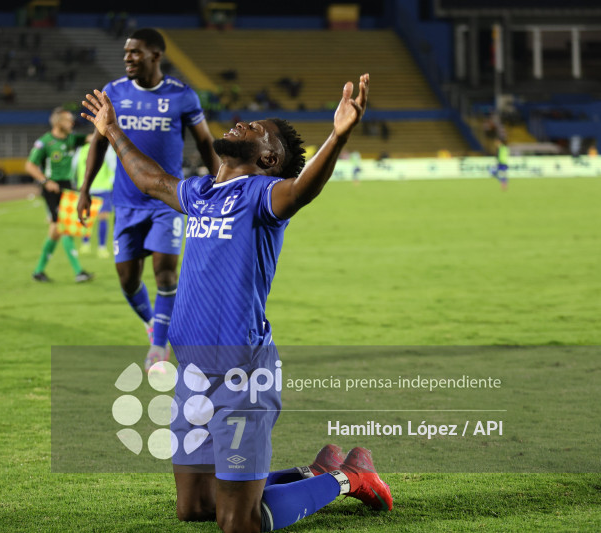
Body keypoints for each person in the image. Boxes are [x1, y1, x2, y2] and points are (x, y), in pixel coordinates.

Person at [81, 75, 391, 532]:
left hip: (240, 379)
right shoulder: (202, 193)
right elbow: (152, 181)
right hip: (191, 374)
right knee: (195, 509)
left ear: (268, 158)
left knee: (238, 523)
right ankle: (313, 474)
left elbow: (302, 189)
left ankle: (349, 477)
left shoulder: (263, 197)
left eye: (255, 129)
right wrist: (111, 130)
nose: (241, 122)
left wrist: (338, 135)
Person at [77, 28, 220, 370]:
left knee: (166, 274)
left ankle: (158, 347)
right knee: (128, 280)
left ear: (156, 56)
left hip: (167, 201)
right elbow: (98, 143)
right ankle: (152, 323)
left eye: (136, 53)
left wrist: (220, 186)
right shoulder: (113, 92)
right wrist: (84, 189)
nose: (128, 58)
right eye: (126, 52)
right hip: (125, 204)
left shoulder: (182, 96)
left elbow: (205, 142)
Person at [25, 107, 94, 283]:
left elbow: (92, 138)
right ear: (57, 122)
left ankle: (38, 271)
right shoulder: (45, 142)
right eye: (68, 120)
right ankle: (79, 272)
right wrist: (45, 181)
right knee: (65, 227)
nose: (72, 123)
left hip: (68, 186)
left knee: (55, 231)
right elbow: (30, 166)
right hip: (52, 188)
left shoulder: (72, 138)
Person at [74, 133, 115, 258]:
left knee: (102, 217)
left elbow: (113, 167)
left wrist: (110, 182)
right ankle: (85, 244)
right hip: (87, 190)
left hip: (102, 189)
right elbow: (74, 168)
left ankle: (101, 247)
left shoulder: (106, 149)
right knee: (87, 217)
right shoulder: (81, 150)